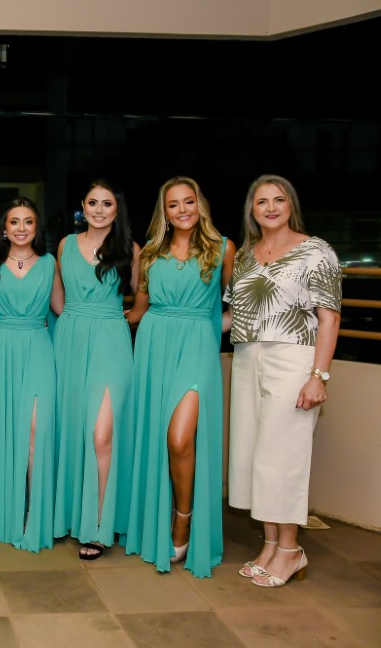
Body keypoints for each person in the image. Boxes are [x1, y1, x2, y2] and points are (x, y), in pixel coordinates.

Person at [226, 175, 341, 588]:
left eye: (278, 199)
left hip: (293, 358)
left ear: (290, 204)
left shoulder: (316, 251)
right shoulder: (245, 256)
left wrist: (318, 376)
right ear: (252, 210)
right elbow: (231, 315)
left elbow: (329, 317)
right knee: (252, 453)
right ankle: (271, 545)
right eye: (262, 201)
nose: (271, 207)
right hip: (247, 357)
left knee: (282, 456)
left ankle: (291, 550)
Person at [125, 176, 235, 578]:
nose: (182, 210)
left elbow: (238, 307)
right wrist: (99, 322)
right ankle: (157, 516)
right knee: (159, 438)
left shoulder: (223, 249)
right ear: (165, 212)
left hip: (197, 348)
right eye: (173, 204)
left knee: (179, 438)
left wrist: (207, 330)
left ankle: (183, 519)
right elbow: (139, 310)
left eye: (189, 201)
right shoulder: (151, 253)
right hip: (154, 346)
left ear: (199, 204)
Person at [52, 181, 139, 560]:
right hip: (70, 341)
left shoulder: (130, 249)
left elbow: (145, 297)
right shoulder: (65, 246)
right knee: (73, 430)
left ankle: (101, 525)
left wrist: (122, 317)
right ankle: (73, 516)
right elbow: (57, 301)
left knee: (102, 434)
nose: (99, 210)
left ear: (117, 210)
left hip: (111, 342)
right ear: (83, 207)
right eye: (93, 203)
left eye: (107, 203)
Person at [0, 197, 64, 552]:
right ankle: (2, 512)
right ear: (4, 229)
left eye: (28, 221)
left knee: (35, 431)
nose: (21, 228)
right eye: (14, 221)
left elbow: (62, 309)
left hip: (37, 347)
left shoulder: (49, 263)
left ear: (36, 228)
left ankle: (34, 514)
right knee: (0, 428)